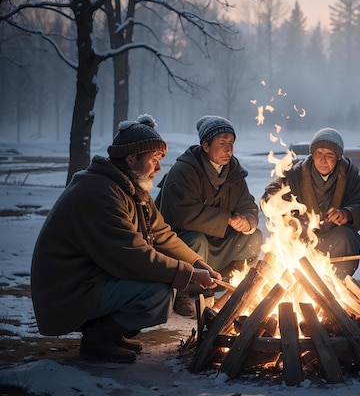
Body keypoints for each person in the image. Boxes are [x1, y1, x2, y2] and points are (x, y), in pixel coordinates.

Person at [30, 114, 221, 364]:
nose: (159, 168)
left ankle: (110, 334)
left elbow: (162, 235)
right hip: (69, 291)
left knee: (161, 285)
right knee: (157, 294)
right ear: (131, 158)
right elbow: (133, 256)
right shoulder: (100, 193)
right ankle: (97, 340)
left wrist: (196, 262)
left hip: (93, 278)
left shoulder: (128, 188)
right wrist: (189, 274)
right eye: (154, 160)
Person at [157, 115, 262, 318]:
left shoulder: (234, 172)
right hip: (181, 245)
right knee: (196, 240)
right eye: (222, 143)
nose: (228, 150)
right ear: (205, 146)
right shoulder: (184, 171)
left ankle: (237, 285)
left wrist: (247, 220)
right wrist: (227, 220)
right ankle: (182, 294)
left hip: (217, 243)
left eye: (231, 143)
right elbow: (184, 214)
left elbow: (248, 205)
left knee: (253, 236)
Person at [262, 128, 360, 279]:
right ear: (312, 155)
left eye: (329, 155)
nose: (322, 160)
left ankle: (337, 284)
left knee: (347, 236)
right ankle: (296, 283)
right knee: (287, 239)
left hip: (334, 238)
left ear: (338, 158)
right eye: (318, 153)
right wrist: (289, 218)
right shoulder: (296, 173)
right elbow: (270, 195)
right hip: (302, 237)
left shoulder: (350, 175)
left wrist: (347, 213)